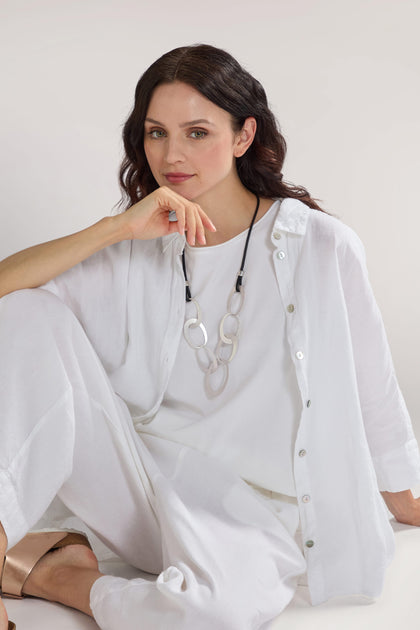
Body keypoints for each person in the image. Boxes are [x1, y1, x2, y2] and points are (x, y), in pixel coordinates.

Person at [1, 43, 420, 630]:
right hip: (139, 490)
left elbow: (372, 389)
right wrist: (114, 228)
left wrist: (404, 500)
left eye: (197, 132)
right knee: (24, 314)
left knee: (212, 614)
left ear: (244, 136)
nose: (171, 155)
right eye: (155, 133)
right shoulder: (136, 244)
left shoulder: (320, 246)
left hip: (253, 518)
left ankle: (58, 575)